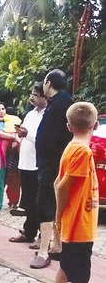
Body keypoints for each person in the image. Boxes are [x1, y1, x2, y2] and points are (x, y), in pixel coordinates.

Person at [31, 69, 74, 269]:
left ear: (48, 83)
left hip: (53, 164)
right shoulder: (63, 103)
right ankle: (57, 246)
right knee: (56, 204)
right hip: (57, 163)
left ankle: (43, 250)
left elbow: (52, 138)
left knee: (46, 203)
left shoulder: (60, 105)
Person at [54, 102, 99, 283]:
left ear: (69, 126)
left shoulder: (72, 147)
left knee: (66, 267)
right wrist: (58, 217)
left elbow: (57, 181)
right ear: (95, 126)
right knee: (80, 276)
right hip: (79, 225)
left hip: (76, 224)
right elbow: (62, 186)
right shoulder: (82, 151)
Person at [9, 83, 47, 247]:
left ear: (45, 97)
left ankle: (42, 235)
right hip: (25, 162)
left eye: (35, 95)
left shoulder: (47, 115)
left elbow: (44, 139)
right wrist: (20, 136)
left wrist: (27, 135)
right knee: (28, 201)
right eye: (31, 94)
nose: (32, 97)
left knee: (38, 201)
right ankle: (29, 231)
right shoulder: (31, 114)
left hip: (36, 164)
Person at [0, 102, 21, 209]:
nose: (1, 111)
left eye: (3, 109)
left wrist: (15, 139)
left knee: (14, 178)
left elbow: (20, 131)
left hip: (13, 154)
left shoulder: (12, 119)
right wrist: (12, 137)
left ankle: (14, 201)